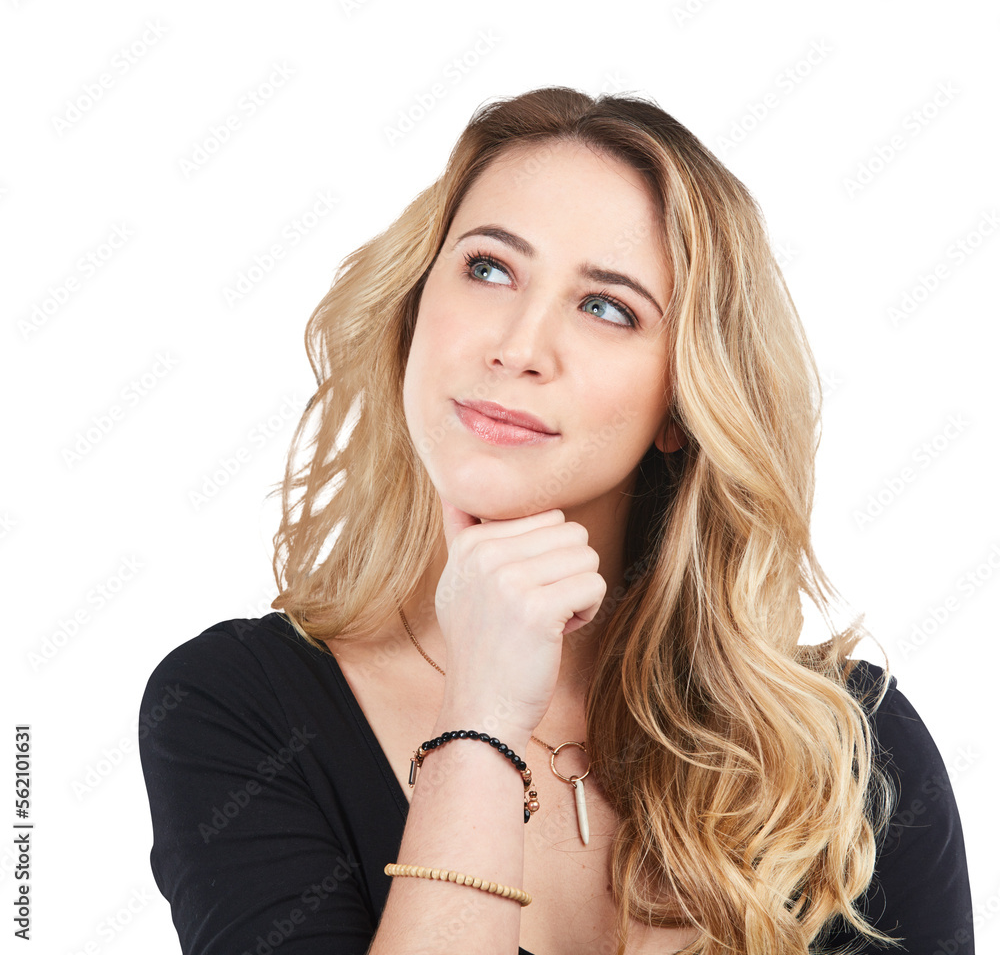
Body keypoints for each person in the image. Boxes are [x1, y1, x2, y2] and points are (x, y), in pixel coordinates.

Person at [138, 86, 974, 955]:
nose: (519, 346)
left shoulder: (845, 750)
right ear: (414, 305)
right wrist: (482, 720)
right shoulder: (235, 710)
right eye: (489, 267)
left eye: (608, 306)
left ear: (682, 403)